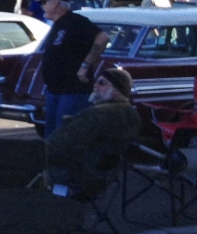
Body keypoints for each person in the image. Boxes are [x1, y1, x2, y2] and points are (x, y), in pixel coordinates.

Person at [46, 67, 141, 197]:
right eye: (96, 81)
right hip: (105, 177)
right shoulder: (133, 115)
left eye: (102, 83)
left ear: (117, 91)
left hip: (79, 176)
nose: (95, 85)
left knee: (27, 162)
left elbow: (59, 147)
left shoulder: (97, 115)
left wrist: (37, 152)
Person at [40, 0, 109, 136]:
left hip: (73, 90)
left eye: (44, 2)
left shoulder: (76, 21)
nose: (41, 6)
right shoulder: (57, 24)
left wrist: (85, 65)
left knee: (65, 134)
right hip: (54, 89)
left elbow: (102, 37)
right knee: (51, 136)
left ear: (55, 4)